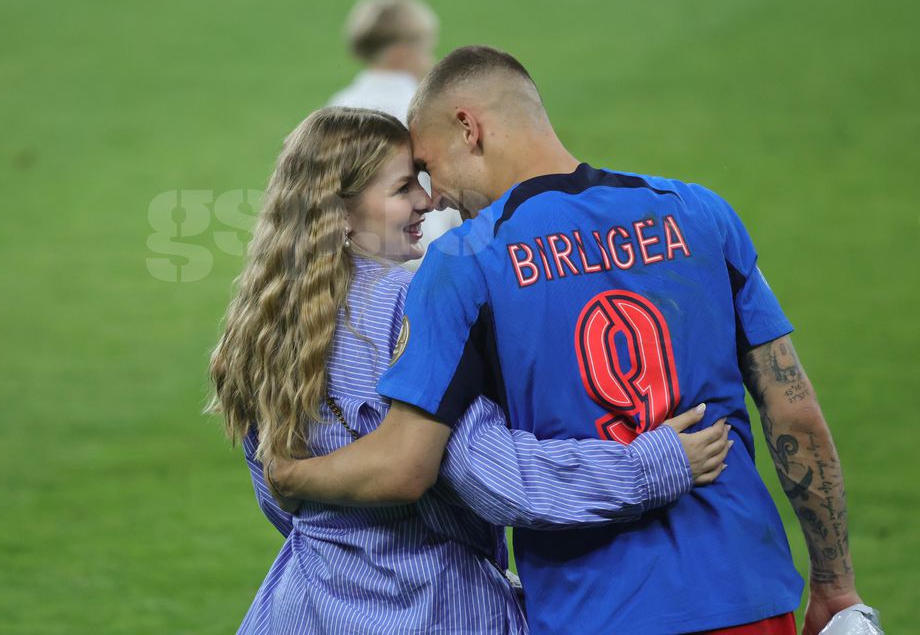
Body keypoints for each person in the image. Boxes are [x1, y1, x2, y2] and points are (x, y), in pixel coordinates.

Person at [270, 47, 863, 635]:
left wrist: (293, 476)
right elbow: (792, 409)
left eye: (429, 168)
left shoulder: (464, 261)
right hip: (745, 596)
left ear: (469, 129)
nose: (437, 196)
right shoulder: (700, 212)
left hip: (591, 610)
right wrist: (835, 585)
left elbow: (406, 462)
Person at [208, 106, 731, 634]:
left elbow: (281, 499)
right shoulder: (409, 300)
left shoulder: (263, 321)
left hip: (301, 606)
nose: (424, 201)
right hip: (430, 607)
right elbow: (491, 477)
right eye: (401, 189)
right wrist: (649, 467)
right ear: (340, 213)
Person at [327, 0, 461, 252]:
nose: (430, 60)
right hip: (421, 248)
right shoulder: (426, 108)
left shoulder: (335, 106)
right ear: (402, 52)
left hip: (353, 250)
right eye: (426, 50)